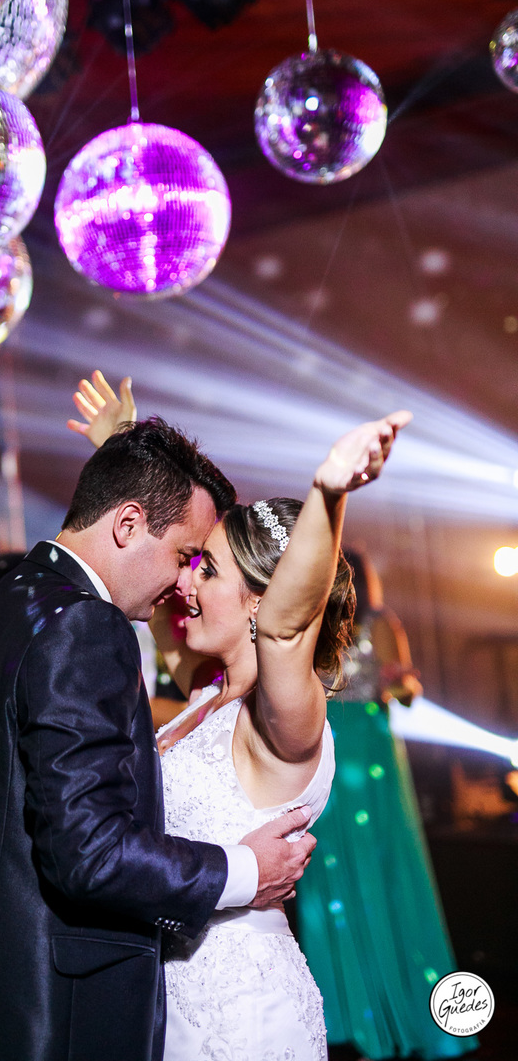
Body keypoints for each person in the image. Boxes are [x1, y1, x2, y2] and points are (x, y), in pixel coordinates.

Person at [0, 410, 317, 1061]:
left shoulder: (10, 604)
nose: (180, 583)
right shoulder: (86, 627)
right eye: (186, 556)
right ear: (128, 524)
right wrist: (245, 869)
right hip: (55, 1009)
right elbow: (89, 850)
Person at [67, 374, 411, 1060]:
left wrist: (329, 491)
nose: (185, 581)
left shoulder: (285, 719)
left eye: (207, 570)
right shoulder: (203, 691)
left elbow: (287, 630)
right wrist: (125, 454)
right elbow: (142, 573)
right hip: (165, 1005)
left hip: (243, 1015)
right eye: (191, 563)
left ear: (262, 602)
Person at [296, 548, 476, 1059]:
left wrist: (402, 683)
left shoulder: (380, 622)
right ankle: (344, 1014)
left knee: (385, 862)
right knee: (329, 866)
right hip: (325, 740)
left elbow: (407, 686)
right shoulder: (306, 622)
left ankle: (403, 1005)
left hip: (372, 751)